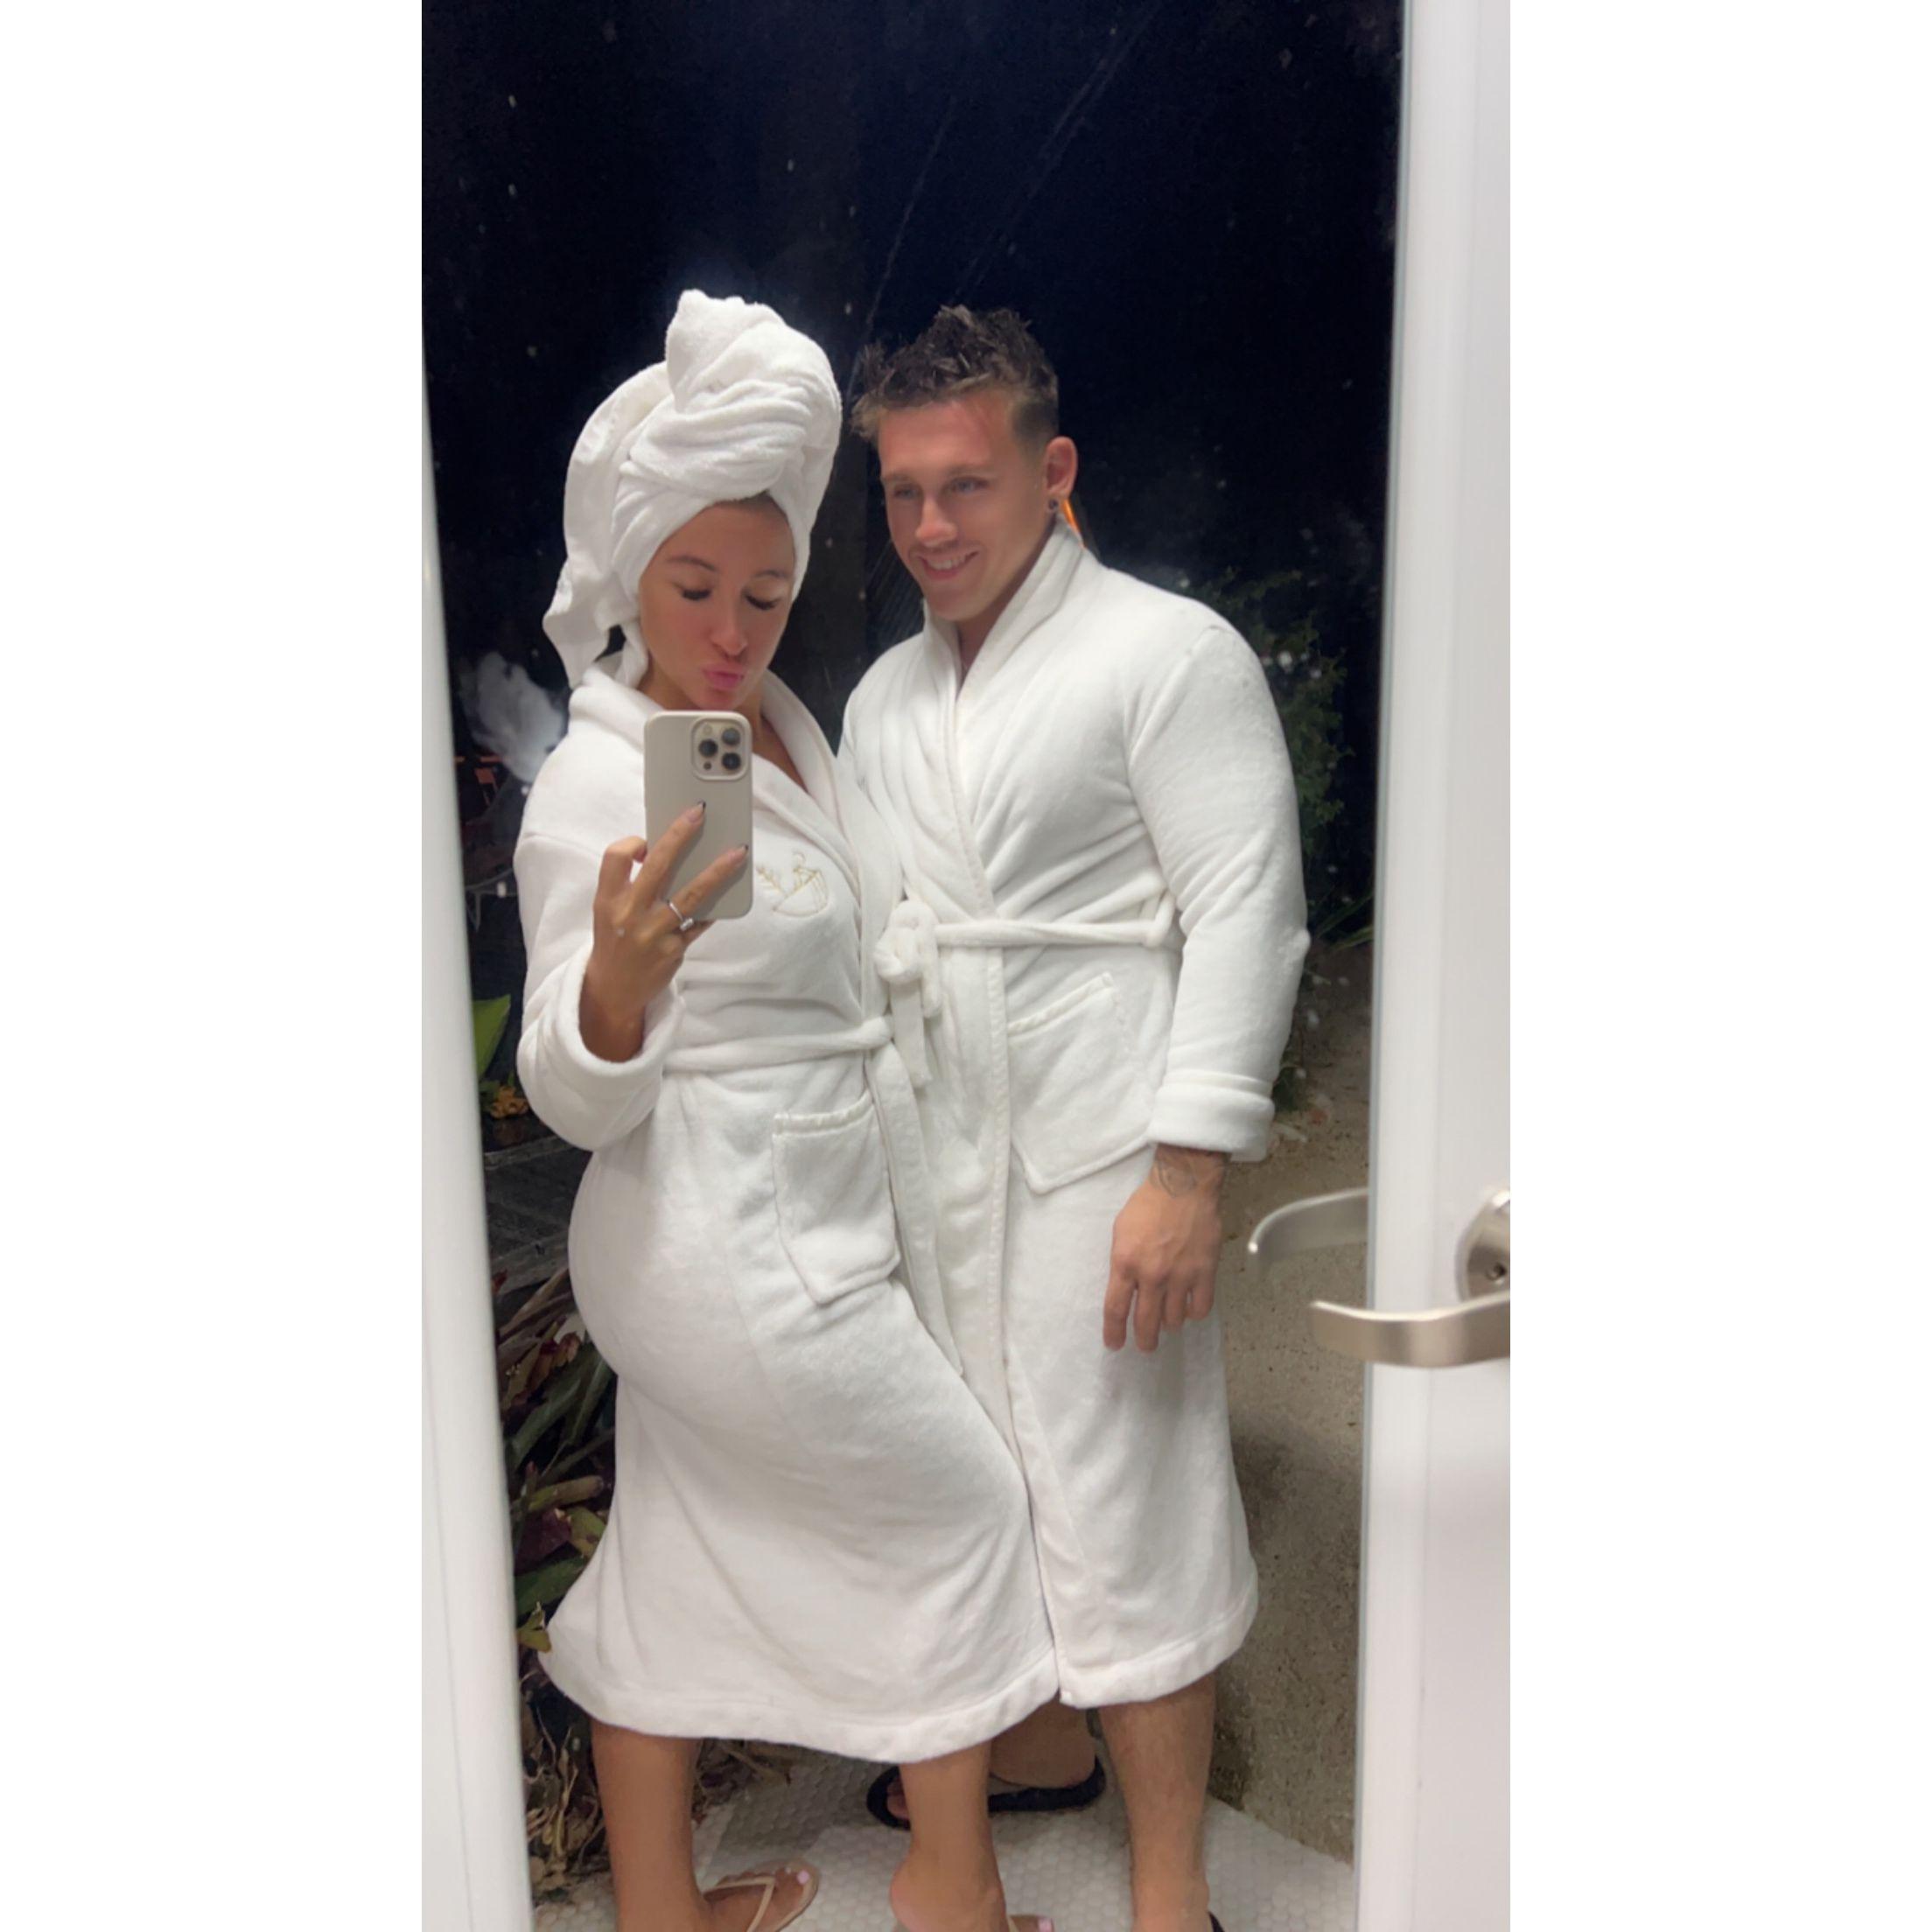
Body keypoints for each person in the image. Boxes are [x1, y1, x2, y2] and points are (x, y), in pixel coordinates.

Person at [514, 290, 1060, 1932]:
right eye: (692, 587)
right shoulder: (597, 781)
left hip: (773, 1217)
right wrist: (617, 986)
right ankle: (951, 1891)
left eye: (765, 591)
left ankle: (659, 1913)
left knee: (676, 1560)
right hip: (730, 1237)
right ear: (631, 575)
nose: (732, 626)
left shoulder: (773, 732)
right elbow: (563, 1078)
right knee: (963, 1508)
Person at [840, 306, 1308, 1932]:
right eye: (902, 492)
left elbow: (1246, 910)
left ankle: (1173, 1887)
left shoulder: (1166, 655)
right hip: (940, 1139)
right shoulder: (885, 697)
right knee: (978, 1471)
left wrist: (1189, 1172)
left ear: (1052, 471)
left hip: (1104, 1143)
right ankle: (1038, 1745)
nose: (930, 526)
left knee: (1130, 1498)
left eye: (964, 485)